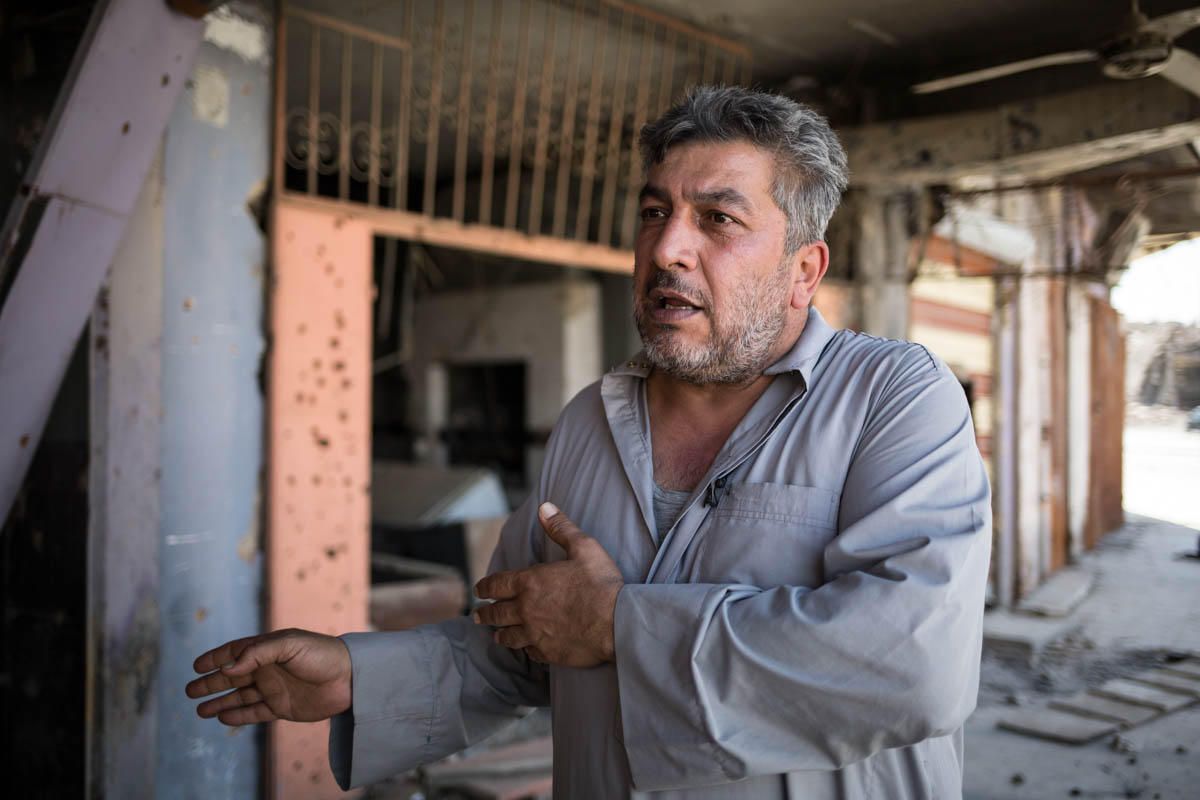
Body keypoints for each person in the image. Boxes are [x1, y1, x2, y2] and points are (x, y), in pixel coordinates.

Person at [187, 85, 991, 798]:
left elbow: (913, 669)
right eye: (654, 213)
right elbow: (521, 645)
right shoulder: (589, 421)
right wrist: (362, 676)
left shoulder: (893, 398)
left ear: (802, 271)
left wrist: (620, 627)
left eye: (718, 219)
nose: (667, 248)